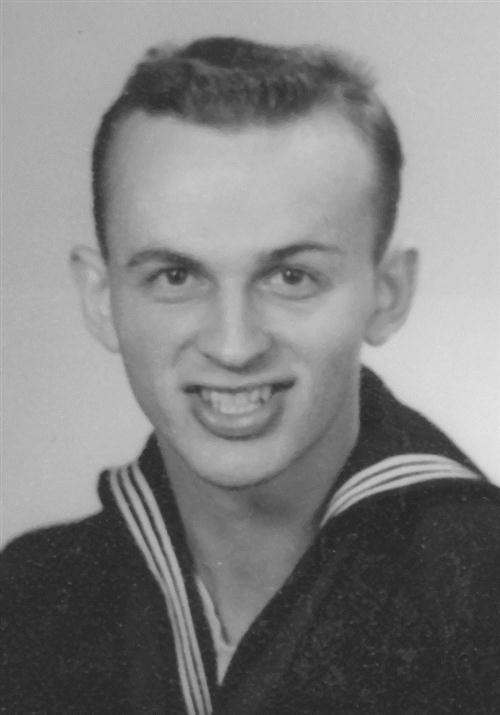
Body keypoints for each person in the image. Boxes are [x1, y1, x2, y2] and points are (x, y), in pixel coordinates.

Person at [2, 36, 499, 714]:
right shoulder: (28, 599)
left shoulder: (482, 592)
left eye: (291, 277)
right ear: (100, 298)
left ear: (387, 294)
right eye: (175, 276)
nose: (234, 346)